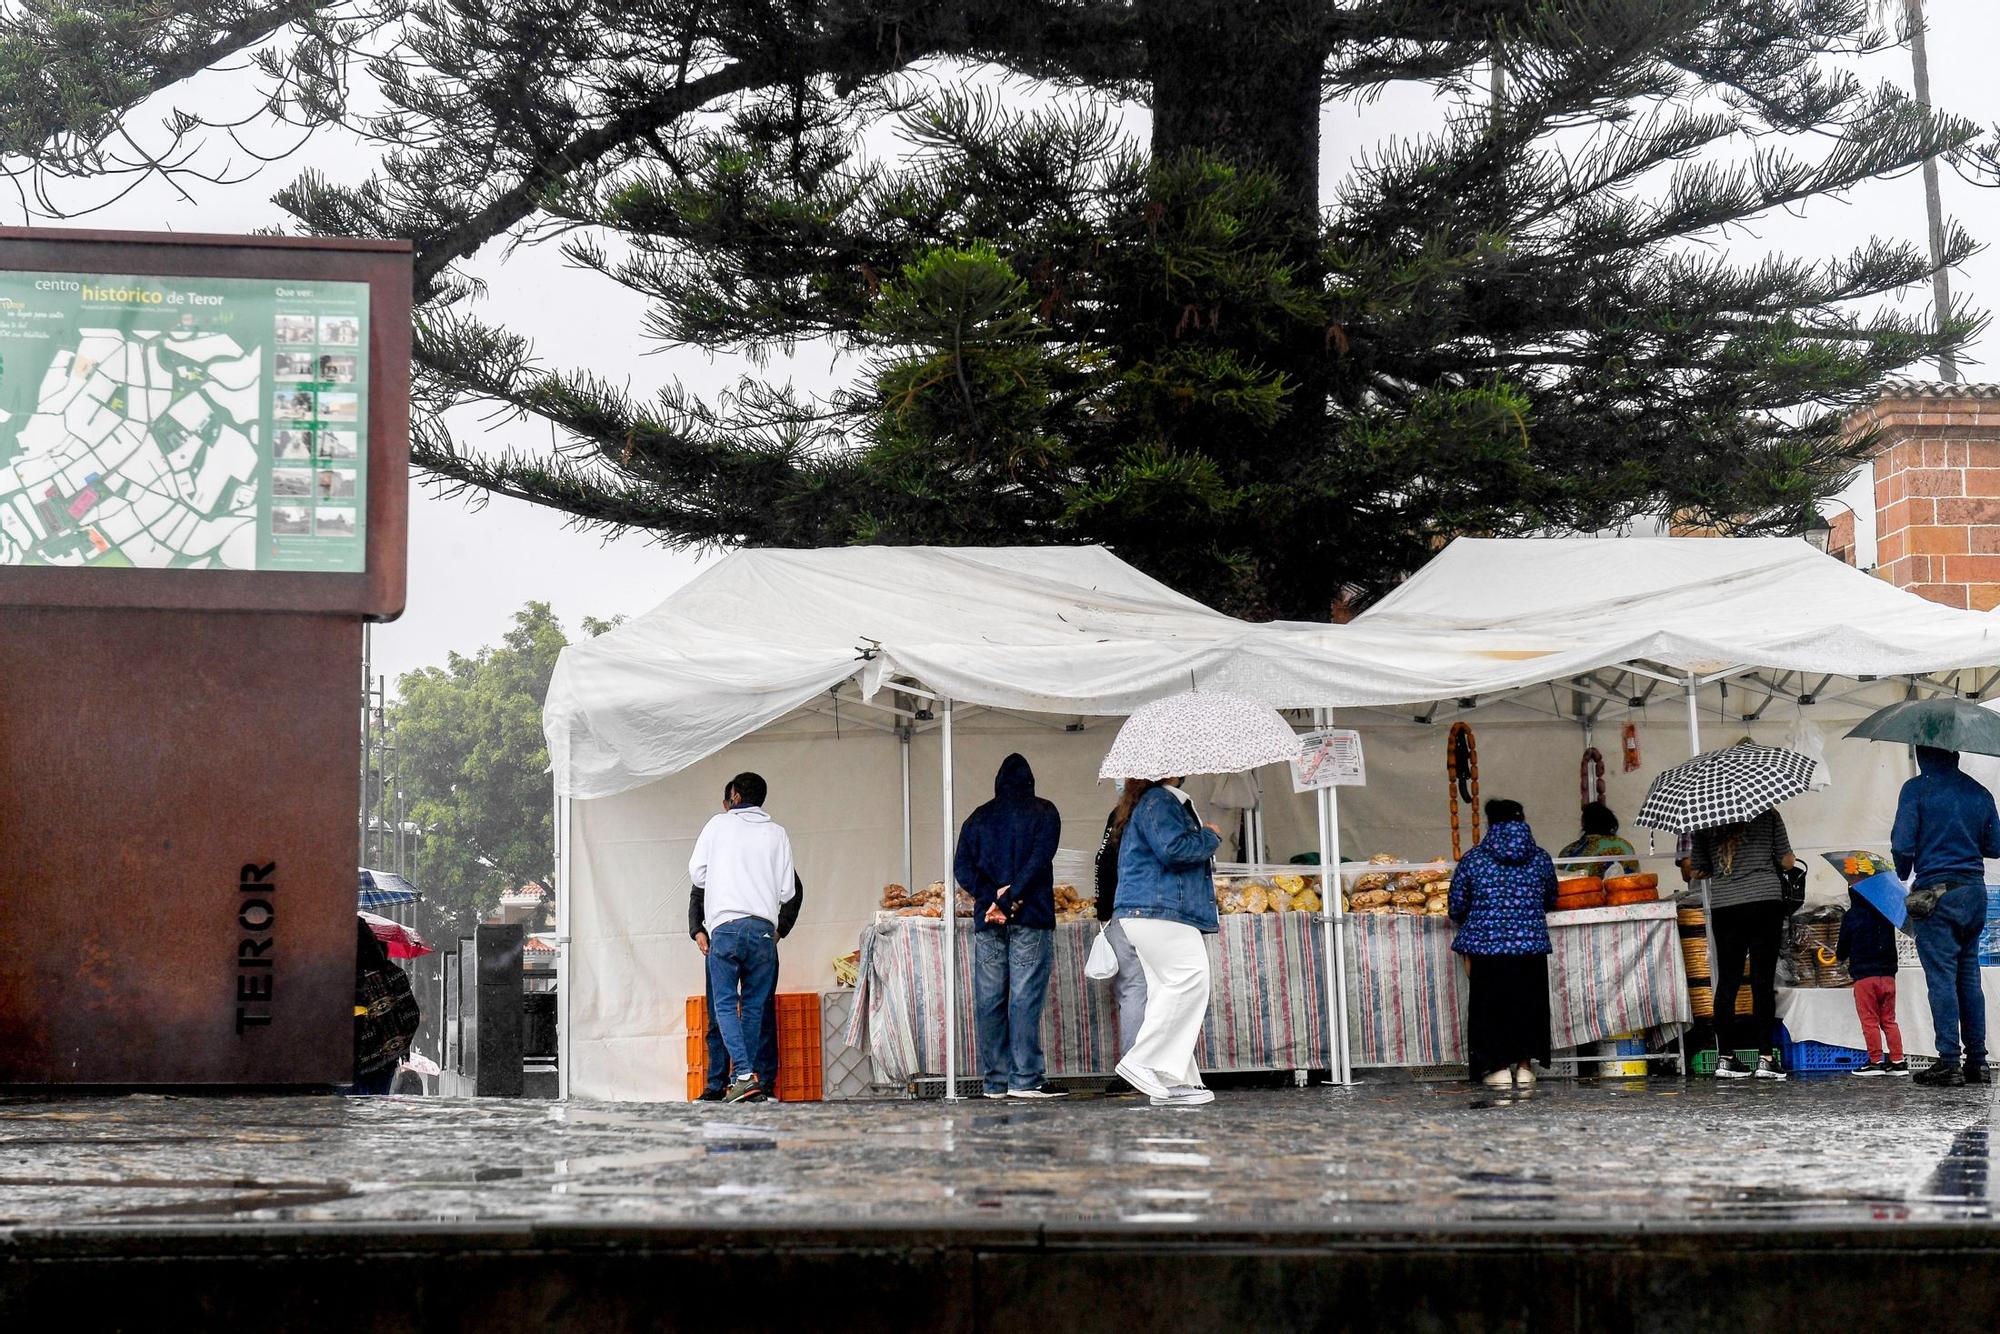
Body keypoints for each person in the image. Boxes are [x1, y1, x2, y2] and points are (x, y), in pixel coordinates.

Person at [953, 753, 1065, 1099]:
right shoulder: (1045, 812)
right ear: (1031, 782)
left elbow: (962, 868)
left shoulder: (977, 819)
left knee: (989, 999)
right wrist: (1011, 897)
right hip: (1031, 915)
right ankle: (1025, 1078)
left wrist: (991, 900)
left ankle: (995, 1082)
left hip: (988, 920)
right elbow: (1038, 860)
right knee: (1024, 998)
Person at [1111, 776, 1225, 1107]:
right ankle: (1143, 1060)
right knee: (1190, 979)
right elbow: (1173, 849)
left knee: (1167, 990)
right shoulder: (1160, 800)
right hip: (1161, 910)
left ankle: (1173, 1080)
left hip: (1148, 910)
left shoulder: (1146, 801)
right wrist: (1210, 835)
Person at [1892, 745, 1999, 1088]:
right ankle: (1978, 1062)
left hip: (1935, 896)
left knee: (1941, 979)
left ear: (1923, 756)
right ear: (1954, 753)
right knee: (1968, 978)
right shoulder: (1979, 791)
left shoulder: (1916, 789)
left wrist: (1904, 872)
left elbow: (1902, 845)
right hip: (1973, 894)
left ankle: (1949, 1062)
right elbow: (1995, 846)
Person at [688, 771, 796, 1102]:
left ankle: (745, 1076)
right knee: (754, 1008)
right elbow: (787, 890)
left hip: (726, 928)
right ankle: (743, 1080)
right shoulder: (778, 834)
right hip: (763, 931)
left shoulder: (717, 826)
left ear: (734, 795)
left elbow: (697, 874)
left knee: (723, 1004)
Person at [1447, 798, 1558, 1090]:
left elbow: (1457, 906)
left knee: (1492, 1008)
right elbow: (1551, 899)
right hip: (1531, 948)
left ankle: (1496, 1068)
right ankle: (1524, 1067)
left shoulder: (1474, 859)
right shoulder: (1542, 858)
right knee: (1527, 1006)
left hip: (1488, 949)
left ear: (1490, 823)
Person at [1689, 808, 1795, 1080]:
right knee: (1762, 981)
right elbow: (1787, 861)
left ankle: (1725, 1058)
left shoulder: (1704, 819)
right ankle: (1765, 1058)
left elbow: (1698, 870)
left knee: (1727, 981)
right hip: (1764, 901)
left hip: (1726, 906)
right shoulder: (1768, 813)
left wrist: (1723, 863)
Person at [690, 861, 806, 1102]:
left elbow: (794, 889)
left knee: (756, 1012)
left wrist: (781, 929)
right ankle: (719, 1084)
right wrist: (696, 929)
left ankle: (758, 1082)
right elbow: (698, 888)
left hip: (749, 937)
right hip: (726, 938)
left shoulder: (762, 842)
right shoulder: (723, 843)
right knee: (720, 1014)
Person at [1093, 801, 1147, 1093]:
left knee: (1133, 989)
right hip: (1155, 913)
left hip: (1123, 913)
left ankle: (1133, 1067)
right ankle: (1152, 1067)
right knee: (1159, 990)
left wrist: (1103, 911)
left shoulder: (1122, 812)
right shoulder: (1163, 809)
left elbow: (1103, 862)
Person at [1836, 887, 1907, 1077]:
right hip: (1888, 976)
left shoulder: (1852, 916)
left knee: (1870, 1021)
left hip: (1866, 977)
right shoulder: (1886, 913)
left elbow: (1842, 949)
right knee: (1889, 1020)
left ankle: (1875, 1062)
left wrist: (1841, 955)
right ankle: (1898, 1061)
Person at [352, 917, 420, 1095]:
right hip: (386, 1061)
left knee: (352, 1110)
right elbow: (411, 1013)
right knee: (375, 1106)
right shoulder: (394, 974)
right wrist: (400, 1045)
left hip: (352, 1063)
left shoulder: (344, 977)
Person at [1556, 802, 1638, 877]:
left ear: (1583, 823)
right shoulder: (1624, 846)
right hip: (1622, 891)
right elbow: (1636, 878)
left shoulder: (1567, 851)